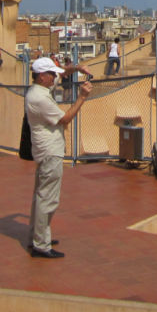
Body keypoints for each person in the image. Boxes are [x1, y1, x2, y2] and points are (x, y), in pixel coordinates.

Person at [26, 56, 93, 258]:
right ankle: (41, 244)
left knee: (42, 195)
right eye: (51, 74)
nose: (55, 77)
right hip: (50, 151)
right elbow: (64, 119)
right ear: (42, 76)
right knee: (48, 198)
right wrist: (81, 97)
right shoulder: (40, 97)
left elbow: (63, 72)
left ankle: (38, 236)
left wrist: (78, 67)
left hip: (44, 150)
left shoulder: (39, 89)